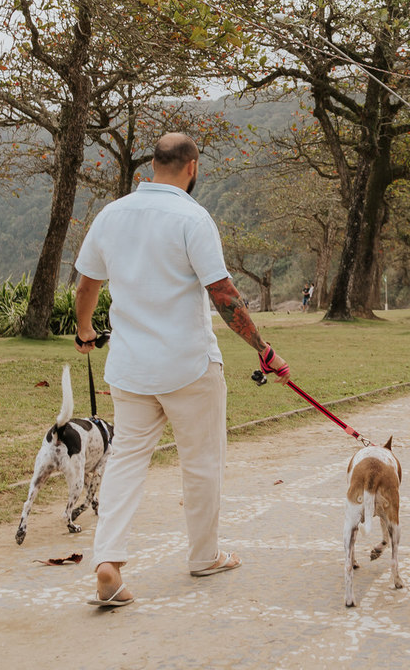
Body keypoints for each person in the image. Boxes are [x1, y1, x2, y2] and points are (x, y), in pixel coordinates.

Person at [73, 132, 291, 607]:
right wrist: (262, 347)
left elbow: (87, 284)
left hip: (129, 369)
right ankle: (204, 556)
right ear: (192, 167)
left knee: (127, 459)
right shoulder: (192, 216)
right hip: (188, 366)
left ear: (154, 165)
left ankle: (108, 560)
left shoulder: (111, 214)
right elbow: (223, 293)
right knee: (202, 461)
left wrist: (86, 330)